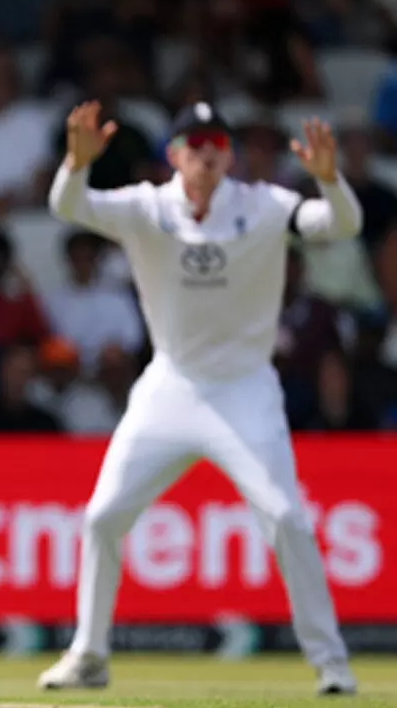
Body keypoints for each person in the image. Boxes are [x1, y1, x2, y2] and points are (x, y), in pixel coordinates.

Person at [37, 101, 360, 695]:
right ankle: (89, 654)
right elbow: (67, 205)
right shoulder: (145, 205)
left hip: (245, 389)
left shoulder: (263, 204)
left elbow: (339, 226)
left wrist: (330, 179)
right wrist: (76, 165)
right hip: (170, 386)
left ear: (229, 154)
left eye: (217, 143)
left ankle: (331, 664)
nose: (207, 152)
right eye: (195, 142)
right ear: (174, 154)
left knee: (287, 517)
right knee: (104, 517)